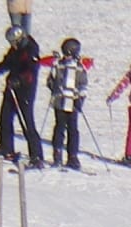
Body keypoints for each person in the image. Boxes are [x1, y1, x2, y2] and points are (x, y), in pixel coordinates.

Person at [0, 24, 40, 167]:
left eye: (14, 42)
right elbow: (6, 64)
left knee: (26, 123)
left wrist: (19, 80)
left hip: (25, 91)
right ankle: (6, 147)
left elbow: (31, 71)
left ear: (21, 39)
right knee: (5, 118)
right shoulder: (15, 50)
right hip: (11, 88)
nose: (12, 45)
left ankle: (36, 156)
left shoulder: (31, 49)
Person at [44, 36, 85, 169]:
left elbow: (83, 85)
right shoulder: (60, 65)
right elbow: (50, 81)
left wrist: (80, 99)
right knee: (62, 128)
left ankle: (71, 156)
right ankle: (59, 153)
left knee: (70, 130)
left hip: (71, 103)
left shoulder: (76, 67)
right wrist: (54, 88)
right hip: (61, 103)